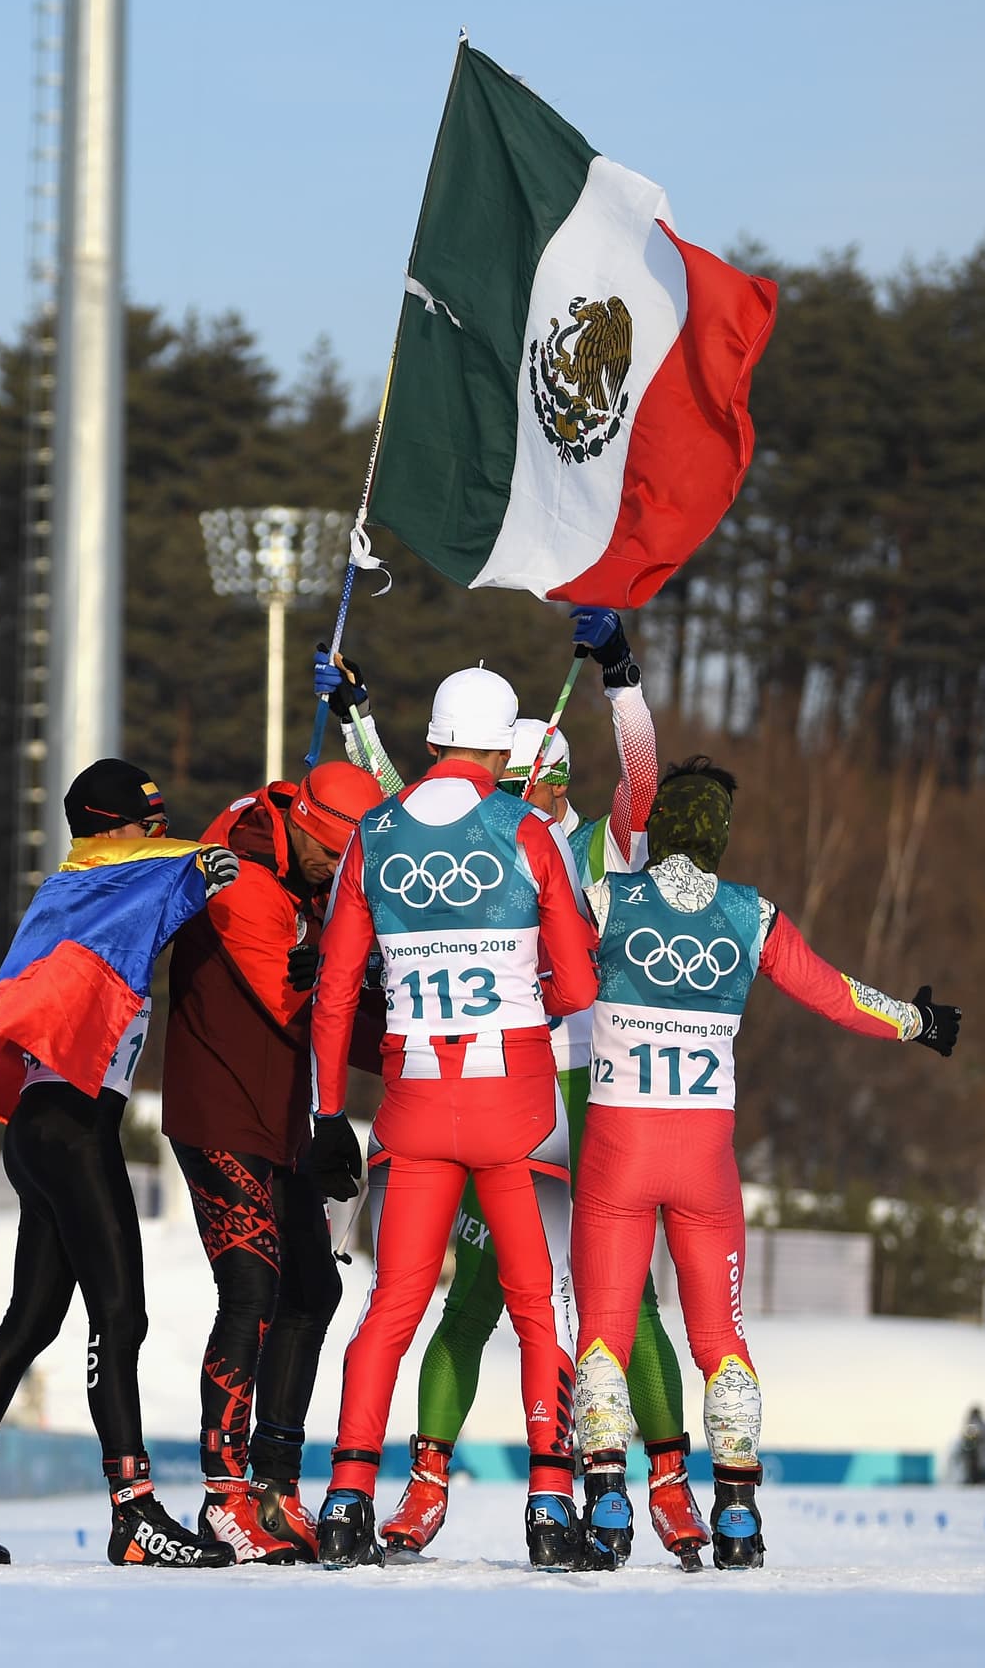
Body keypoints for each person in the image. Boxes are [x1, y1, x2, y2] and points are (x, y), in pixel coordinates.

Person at [315, 612, 709, 1570]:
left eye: (554, 775)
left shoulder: (594, 844)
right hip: (520, 1096)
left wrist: (624, 681)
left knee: (619, 1306)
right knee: (480, 1302)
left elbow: (641, 782)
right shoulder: (511, 831)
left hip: (568, 1098)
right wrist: (361, 721)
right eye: (530, 771)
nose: (542, 785)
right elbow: (424, 803)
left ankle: (665, 1484)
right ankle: (446, 1483)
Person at [571, 755, 962, 1570]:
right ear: (720, 839)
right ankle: (740, 1514)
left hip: (618, 1148)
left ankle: (607, 1501)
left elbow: (532, 970)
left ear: (661, 830)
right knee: (722, 1337)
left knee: (603, 1333)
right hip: (705, 1156)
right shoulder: (752, 915)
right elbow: (834, 992)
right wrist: (917, 1022)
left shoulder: (608, 895)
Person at [0, 759, 240, 1570]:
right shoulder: (96, 880)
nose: (159, 837)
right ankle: (134, 1512)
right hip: (68, 1132)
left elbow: (148, 887)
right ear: (109, 826)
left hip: (42, 1129)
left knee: (34, 1318)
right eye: (147, 825)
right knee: (121, 1315)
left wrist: (187, 868)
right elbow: (147, 878)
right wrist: (200, 864)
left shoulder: (80, 892)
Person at [310, 666, 601, 1570]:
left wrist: (328, 1115)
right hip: (517, 1103)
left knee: (392, 1306)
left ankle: (349, 1499)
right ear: (503, 745)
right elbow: (581, 982)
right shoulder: (523, 830)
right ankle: (551, 1510)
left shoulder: (373, 832)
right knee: (536, 1309)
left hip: (413, 1104)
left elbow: (331, 993)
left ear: (434, 736)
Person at [162, 759, 385, 1565]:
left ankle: (274, 1487)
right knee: (252, 1285)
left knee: (312, 1288)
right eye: (335, 861)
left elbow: (329, 988)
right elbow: (299, 1008)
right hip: (219, 1107)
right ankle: (223, 1499)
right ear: (307, 830)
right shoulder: (246, 881)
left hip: (280, 1114)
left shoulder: (291, 846)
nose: (340, 877)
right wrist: (366, 999)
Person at [959, 1406, 985, 1484]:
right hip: (979, 1463)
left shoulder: (971, 1427)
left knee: (978, 1487)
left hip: (976, 1464)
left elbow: (966, 1444)